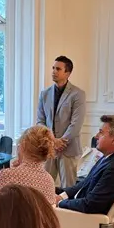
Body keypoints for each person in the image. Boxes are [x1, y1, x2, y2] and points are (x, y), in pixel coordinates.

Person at [56, 115, 114, 214]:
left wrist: (59, 203)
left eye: (101, 132)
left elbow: (90, 205)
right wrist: (61, 195)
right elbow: (86, 183)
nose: (96, 136)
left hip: (86, 218)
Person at [36, 55, 87, 187]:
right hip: (49, 147)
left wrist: (61, 142)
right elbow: (40, 121)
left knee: (68, 187)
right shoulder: (44, 94)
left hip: (68, 148)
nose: (54, 71)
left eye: (58, 69)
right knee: (44, 186)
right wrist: (53, 140)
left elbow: (76, 124)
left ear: (68, 73)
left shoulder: (78, 94)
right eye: (53, 68)